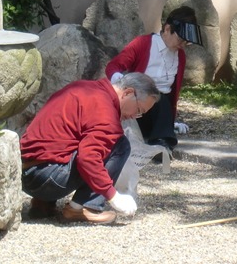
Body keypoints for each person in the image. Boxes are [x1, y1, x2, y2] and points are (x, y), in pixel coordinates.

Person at [20, 72, 160, 224]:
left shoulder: (83, 87)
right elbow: (88, 159)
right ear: (127, 93)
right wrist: (114, 197)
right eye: (139, 110)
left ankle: (42, 202)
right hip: (50, 179)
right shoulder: (106, 114)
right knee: (120, 145)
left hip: (24, 173)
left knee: (68, 143)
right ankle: (84, 207)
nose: (135, 116)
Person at [105, 6, 203, 156]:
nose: (182, 45)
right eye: (181, 39)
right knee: (155, 94)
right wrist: (122, 84)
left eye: (186, 43)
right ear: (167, 29)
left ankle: (162, 142)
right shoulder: (142, 44)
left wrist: (170, 122)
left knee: (161, 98)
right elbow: (113, 66)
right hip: (135, 108)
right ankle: (160, 140)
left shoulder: (180, 56)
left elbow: (172, 94)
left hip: (159, 113)